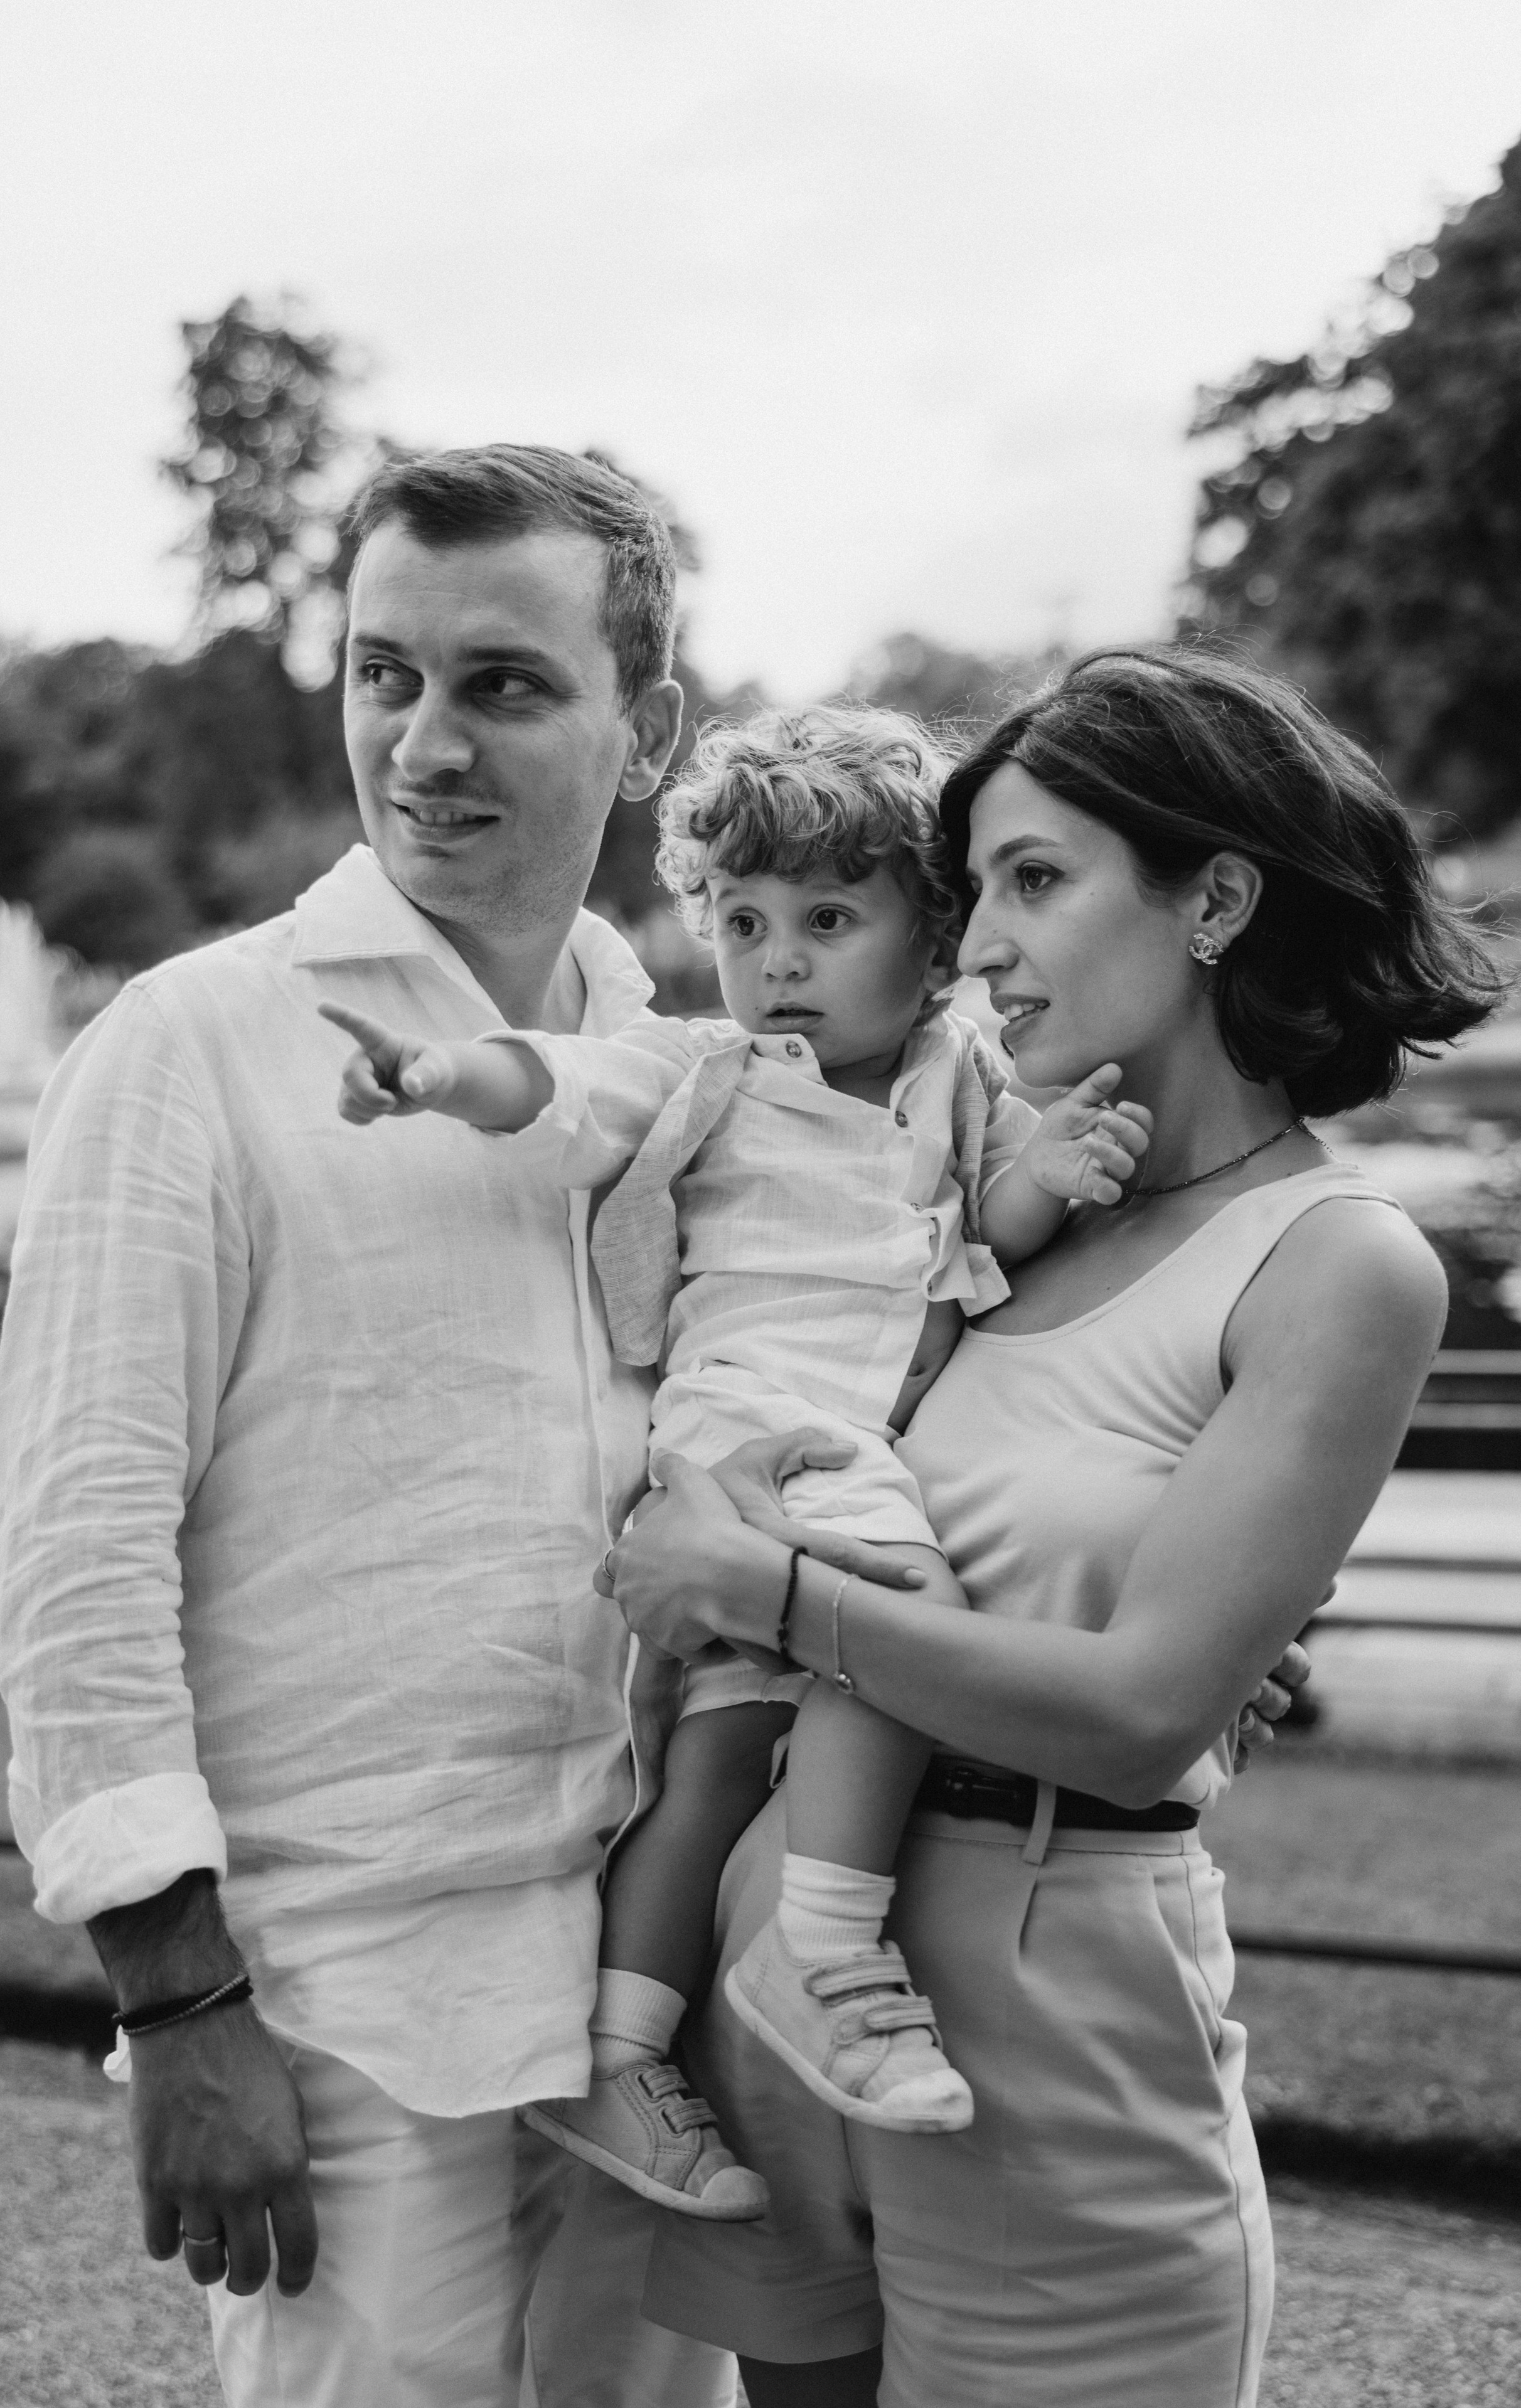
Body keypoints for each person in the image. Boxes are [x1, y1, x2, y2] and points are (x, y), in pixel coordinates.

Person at [595, 647, 1502, 2408]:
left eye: (1034, 880)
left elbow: (1142, 1703)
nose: (976, 939)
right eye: (972, 887)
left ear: (1218, 897)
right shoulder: (998, 1205)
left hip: (1048, 1984)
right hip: (775, 1937)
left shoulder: (1335, 1256)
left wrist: (757, 1580)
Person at [0, 445, 739, 2408]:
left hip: (645, 2002)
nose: (424, 740)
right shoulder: (191, 1044)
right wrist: (182, 2002)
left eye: (503, 683)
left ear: (645, 731)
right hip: (336, 1995)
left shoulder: (673, 1074)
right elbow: (77, 1547)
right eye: (384, 672)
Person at [318, 703, 1152, 2214]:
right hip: (752, 1427)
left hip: (836, 1440)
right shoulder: (711, 1068)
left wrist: (1047, 1172)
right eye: (744, 918)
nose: (776, 957)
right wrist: (441, 1076)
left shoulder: (956, 1080)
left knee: (716, 1755)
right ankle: (823, 1948)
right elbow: (562, 1088)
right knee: (903, 1609)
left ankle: (616, 2047)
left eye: (829, 918)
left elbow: (980, 1232)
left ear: (934, 928)